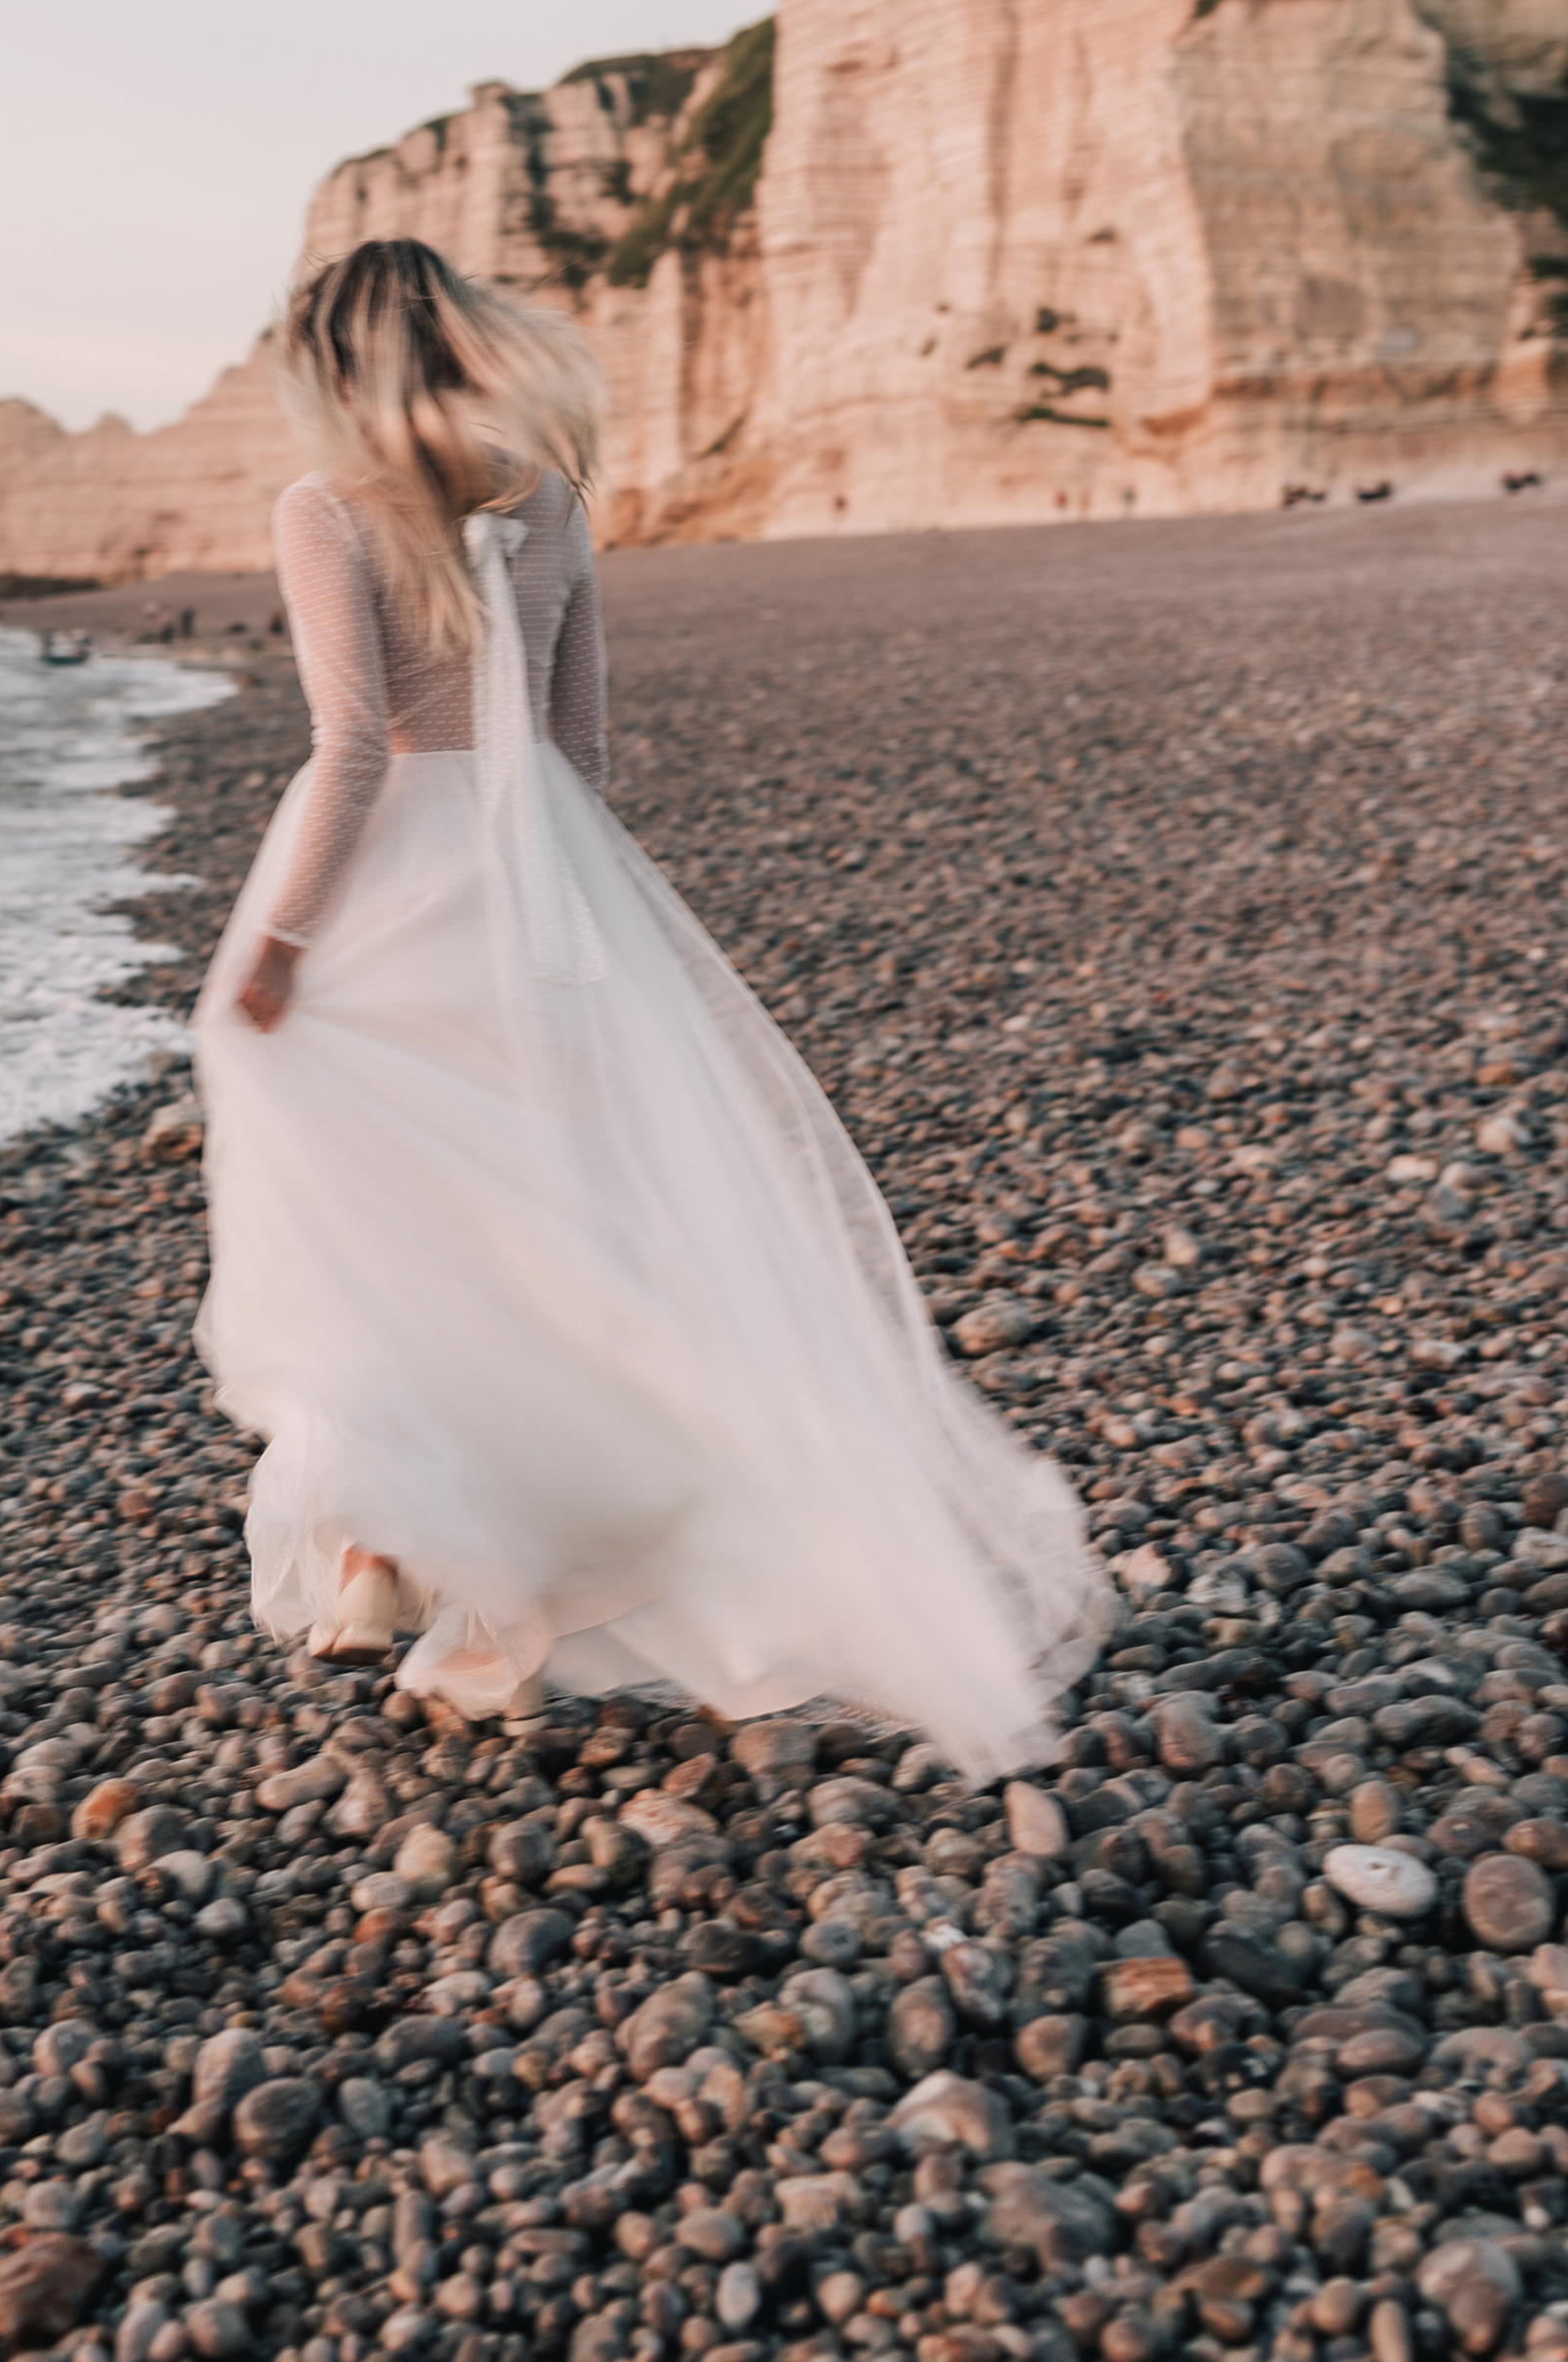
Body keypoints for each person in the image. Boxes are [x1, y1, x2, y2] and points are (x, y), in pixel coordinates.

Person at [192, 237, 1104, 1776]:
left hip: (378, 898)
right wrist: (567, 907)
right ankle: (446, 1582)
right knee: (539, 1222)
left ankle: (391, 1546)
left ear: (338, 362)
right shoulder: (549, 499)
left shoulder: (326, 508)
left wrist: (278, 940)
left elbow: (351, 742)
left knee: (365, 1214)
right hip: (541, 883)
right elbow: (579, 748)